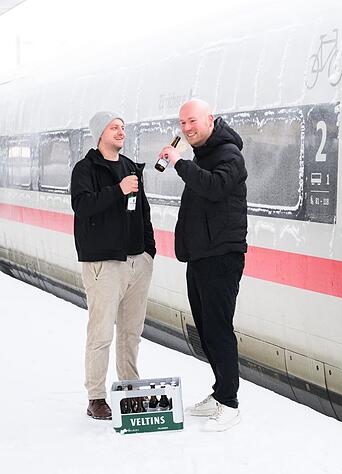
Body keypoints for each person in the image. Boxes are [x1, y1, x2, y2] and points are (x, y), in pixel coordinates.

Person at [159, 99, 247, 432]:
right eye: (182, 123)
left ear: (210, 120)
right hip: (200, 257)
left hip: (222, 257)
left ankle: (230, 404)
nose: (186, 128)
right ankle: (220, 391)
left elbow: (214, 188)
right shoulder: (204, 155)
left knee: (219, 329)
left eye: (192, 121)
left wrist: (180, 162)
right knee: (206, 329)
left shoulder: (229, 155)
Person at [70, 111, 156, 420]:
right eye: (114, 127)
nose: (121, 132)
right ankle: (96, 397)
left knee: (131, 332)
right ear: (100, 134)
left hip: (137, 262)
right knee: (101, 332)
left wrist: (149, 251)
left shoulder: (131, 167)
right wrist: (118, 190)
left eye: (122, 127)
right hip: (104, 263)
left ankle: (130, 388)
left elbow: (143, 212)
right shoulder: (86, 169)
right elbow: (82, 206)